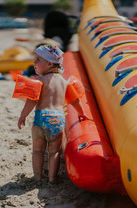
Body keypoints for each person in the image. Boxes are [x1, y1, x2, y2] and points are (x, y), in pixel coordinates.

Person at [17, 43, 88, 183]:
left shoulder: (39, 81)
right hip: (57, 119)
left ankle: (38, 177)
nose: (34, 63)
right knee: (54, 152)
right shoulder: (65, 82)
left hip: (41, 117)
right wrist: (82, 113)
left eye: (38, 60)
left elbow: (31, 101)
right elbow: (74, 101)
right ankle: (52, 178)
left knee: (38, 151)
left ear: (49, 63)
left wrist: (23, 115)